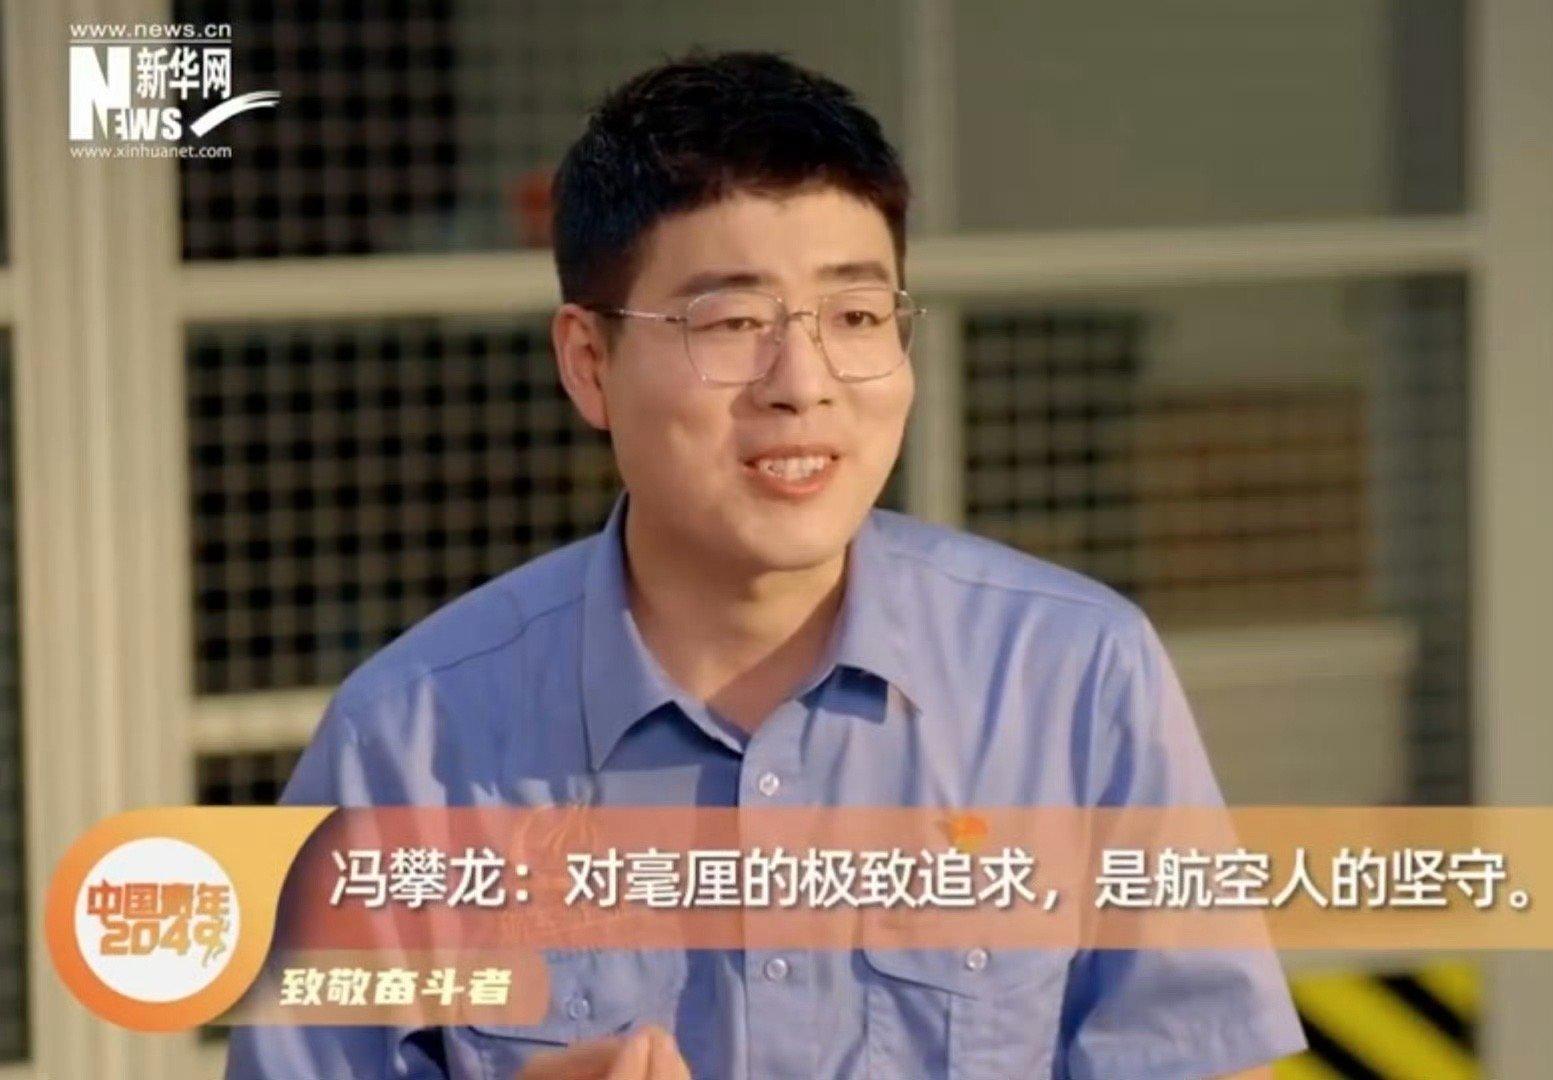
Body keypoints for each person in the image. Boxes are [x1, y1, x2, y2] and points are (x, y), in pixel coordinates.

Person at [225, 52, 1305, 1079]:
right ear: (589, 363)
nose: (803, 382)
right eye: (732, 321)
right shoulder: (410, 745)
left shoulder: (1071, 676)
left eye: (855, 315)